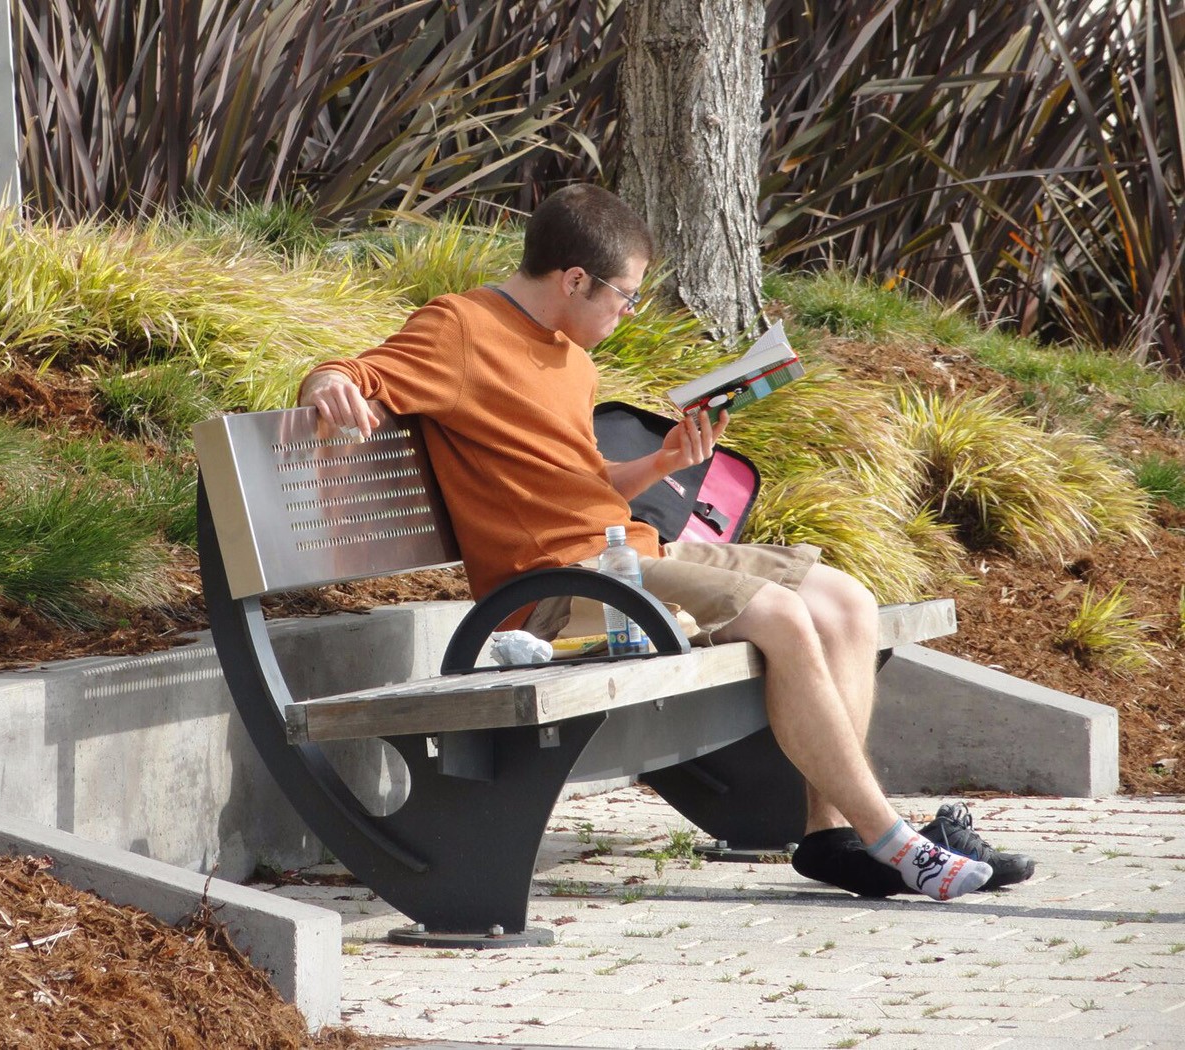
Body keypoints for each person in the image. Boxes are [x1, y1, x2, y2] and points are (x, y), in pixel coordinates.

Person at [299, 183, 1035, 901]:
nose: (627, 312)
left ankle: (831, 835)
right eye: (625, 296)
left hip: (625, 554)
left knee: (845, 601)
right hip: (557, 589)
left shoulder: (571, 357)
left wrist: (660, 464)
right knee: (778, 614)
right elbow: (354, 372)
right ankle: (898, 843)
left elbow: (578, 488)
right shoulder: (461, 328)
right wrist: (328, 381)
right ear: (575, 279)